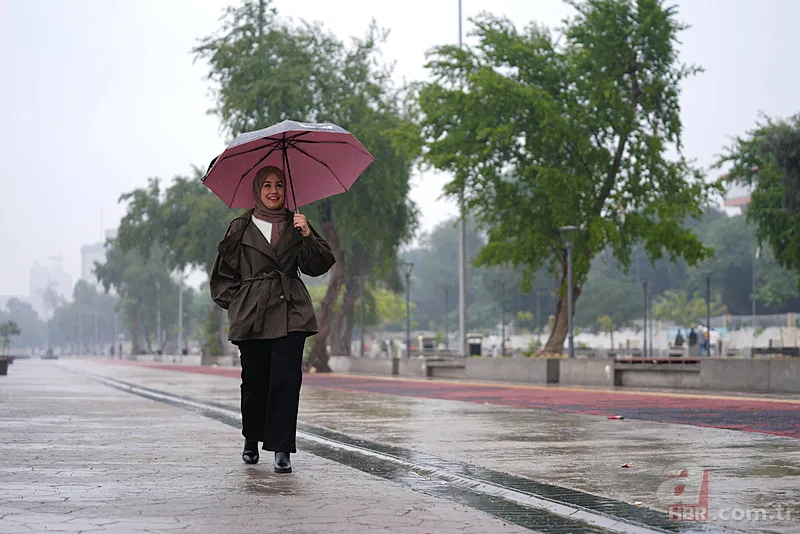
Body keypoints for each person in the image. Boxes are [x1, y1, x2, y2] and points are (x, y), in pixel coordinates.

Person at [210, 165, 335, 473]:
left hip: (291, 311)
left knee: (286, 382)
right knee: (255, 382)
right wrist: (239, 302)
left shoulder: (297, 223)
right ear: (257, 190)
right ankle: (251, 438)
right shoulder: (240, 227)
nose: (274, 191)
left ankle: (282, 448)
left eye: (279, 185)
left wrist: (307, 235)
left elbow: (319, 265)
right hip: (251, 315)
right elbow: (222, 275)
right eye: (267, 185)